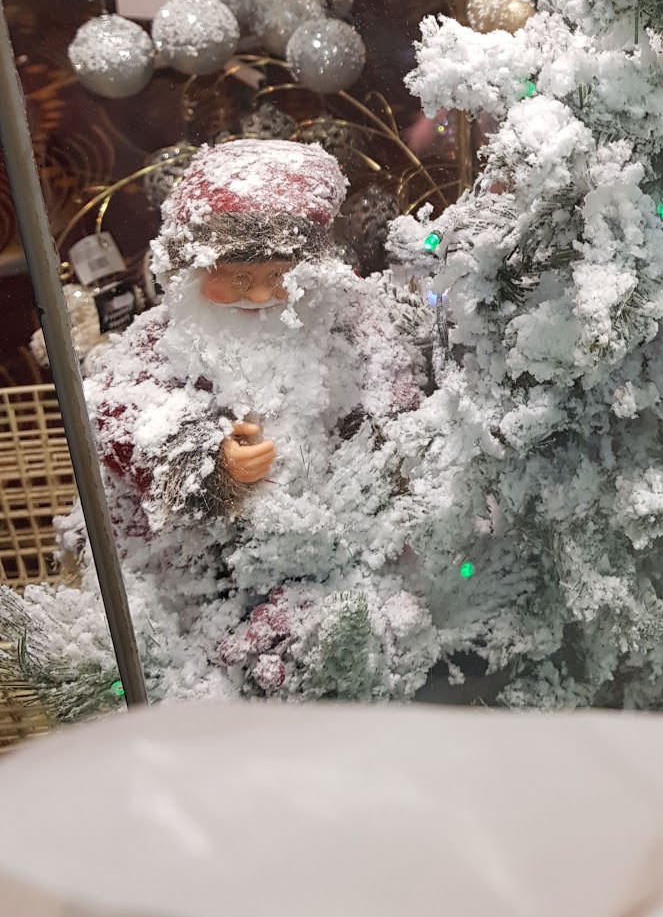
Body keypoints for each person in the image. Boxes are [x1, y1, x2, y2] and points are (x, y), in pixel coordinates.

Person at [38, 137, 440, 702]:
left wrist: (380, 457)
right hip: (197, 575)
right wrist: (200, 459)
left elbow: (393, 390)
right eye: (236, 277)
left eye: (278, 275)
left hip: (338, 553)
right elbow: (117, 409)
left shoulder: (349, 323)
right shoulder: (169, 339)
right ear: (193, 267)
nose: (258, 296)